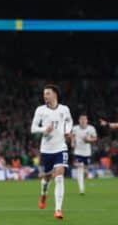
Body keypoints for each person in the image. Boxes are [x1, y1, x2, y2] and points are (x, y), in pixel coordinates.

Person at [30, 84, 73, 219]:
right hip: (46, 150)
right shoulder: (40, 110)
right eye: (44, 94)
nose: (45, 96)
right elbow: (33, 128)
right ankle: (43, 194)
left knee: (59, 176)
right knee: (47, 178)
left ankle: (58, 210)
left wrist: (67, 131)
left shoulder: (64, 109)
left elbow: (69, 122)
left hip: (61, 148)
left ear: (55, 94)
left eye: (47, 93)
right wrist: (44, 130)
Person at [71, 114, 97, 195]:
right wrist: (72, 142)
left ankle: (86, 174)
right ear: (79, 120)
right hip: (78, 152)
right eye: (81, 119)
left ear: (87, 120)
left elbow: (95, 138)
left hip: (87, 152)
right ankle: (81, 189)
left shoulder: (91, 128)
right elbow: (72, 135)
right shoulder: (75, 128)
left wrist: (89, 140)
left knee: (85, 169)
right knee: (80, 168)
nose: (82, 121)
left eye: (84, 119)